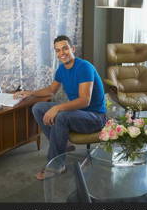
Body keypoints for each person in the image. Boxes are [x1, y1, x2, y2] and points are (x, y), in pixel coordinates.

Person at [14, 35, 106, 180]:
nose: (62, 53)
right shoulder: (62, 69)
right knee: (38, 108)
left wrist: (58, 108)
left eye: (65, 48)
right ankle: (63, 145)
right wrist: (29, 93)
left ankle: (57, 165)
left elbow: (84, 101)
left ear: (72, 49)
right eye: (58, 50)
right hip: (77, 113)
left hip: (95, 117)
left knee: (61, 116)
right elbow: (51, 90)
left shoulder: (84, 67)